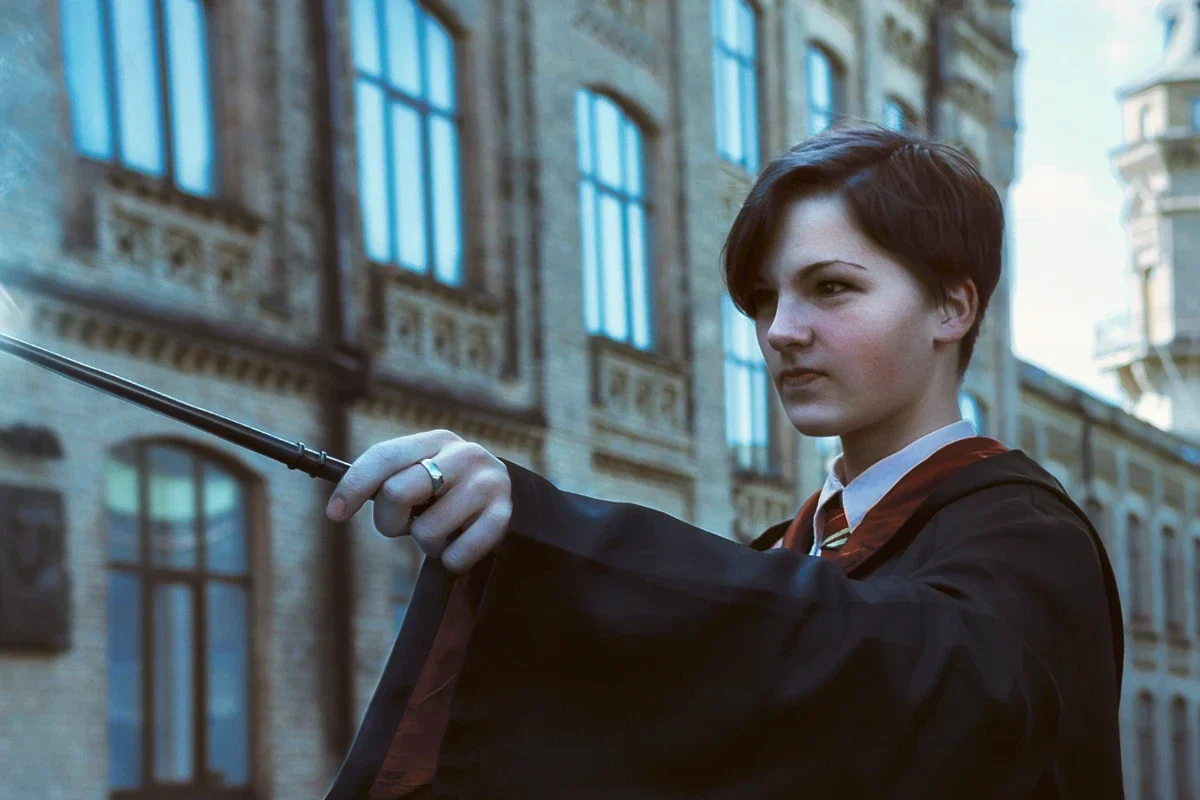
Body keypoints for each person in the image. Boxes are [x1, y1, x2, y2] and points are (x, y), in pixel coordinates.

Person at [322, 124, 1124, 799]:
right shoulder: (785, 551)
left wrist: (548, 533)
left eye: (832, 288)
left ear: (953, 305)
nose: (780, 330)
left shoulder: (1028, 538)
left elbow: (896, 677)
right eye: (765, 299)